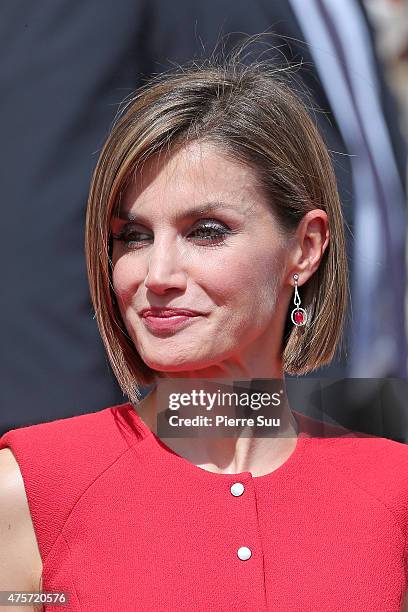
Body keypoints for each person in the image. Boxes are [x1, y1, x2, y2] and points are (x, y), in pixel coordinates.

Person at [0, 49, 407, 611]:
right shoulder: (27, 491)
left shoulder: (392, 492)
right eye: (133, 237)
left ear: (305, 248)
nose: (157, 275)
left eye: (206, 231)